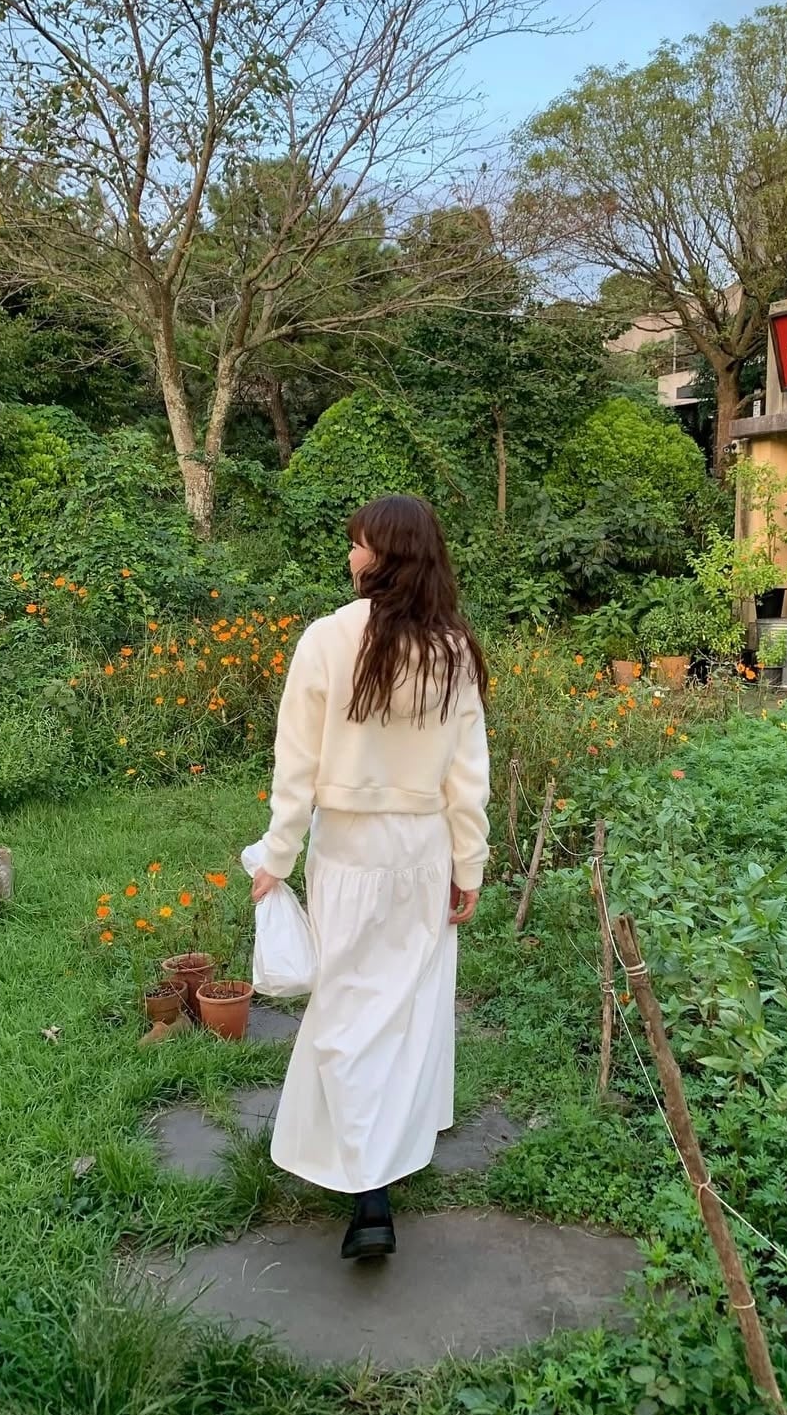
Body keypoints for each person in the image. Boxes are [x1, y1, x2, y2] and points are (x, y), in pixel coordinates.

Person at [250, 494, 490, 1260]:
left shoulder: (326, 639)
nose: (350, 556)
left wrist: (277, 856)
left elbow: (295, 767)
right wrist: (468, 862)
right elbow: (467, 776)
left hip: (348, 850)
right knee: (404, 1008)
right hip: (420, 849)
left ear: (385, 555)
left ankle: (368, 1190)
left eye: (358, 544)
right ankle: (380, 1167)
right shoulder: (452, 651)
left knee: (346, 1006)